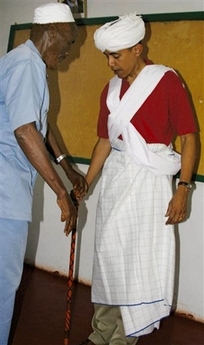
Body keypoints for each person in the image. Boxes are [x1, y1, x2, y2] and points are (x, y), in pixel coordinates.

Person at [79, 13, 197, 345]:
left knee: (135, 259)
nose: (109, 63)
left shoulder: (166, 80)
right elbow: (104, 141)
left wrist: (183, 189)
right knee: (108, 255)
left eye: (116, 55)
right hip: (116, 179)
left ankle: (123, 338)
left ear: (137, 48)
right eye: (106, 55)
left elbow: (189, 137)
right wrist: (87, 183)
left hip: (149, 183)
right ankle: (101, 332)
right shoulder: (111, 90)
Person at [0, 3, 88, 344]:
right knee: (4, 284)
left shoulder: (26, 62)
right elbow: (25, 130)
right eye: (68, 45)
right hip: (5, 194)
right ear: (52, 33)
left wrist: (67, 168)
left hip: (9, 190)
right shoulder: (26, 65)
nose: (68, 54)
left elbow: (41, 124)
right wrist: (60, 192)